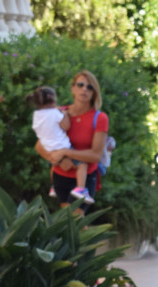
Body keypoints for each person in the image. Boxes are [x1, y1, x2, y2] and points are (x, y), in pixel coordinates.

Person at [33, 70, 108, 207]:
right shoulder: (59, 113)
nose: (84, 89)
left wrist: (65, 152)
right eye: (80, 85)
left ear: (94, 93)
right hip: (61, 174)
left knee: (76, 217)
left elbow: (96, 155)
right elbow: (39, 145)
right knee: (69, 220)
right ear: (73, 88)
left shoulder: (99, 118)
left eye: (89, 87)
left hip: (85, 179)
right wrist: (59, 160)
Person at [25, 85, 93, 204]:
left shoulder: (37, 115)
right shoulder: (56, 113)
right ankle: (81, 189)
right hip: (61, 147)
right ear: (53, 100)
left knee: (55, 166)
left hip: (47, 148)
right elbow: (66, 126)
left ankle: (54, 187)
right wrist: (65, 115)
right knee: (82, 164)